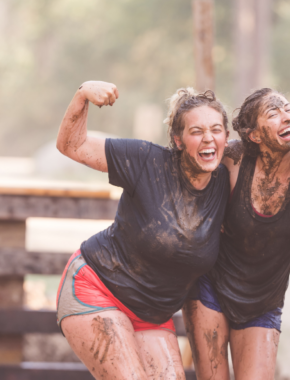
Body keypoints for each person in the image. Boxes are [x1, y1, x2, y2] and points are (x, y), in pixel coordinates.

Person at [55, 81, 231, 380]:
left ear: (227, 136)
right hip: (97, 288)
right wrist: (83, 94)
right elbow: (71, 145)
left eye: (216, 129)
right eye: (196, 131)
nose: (208, 139)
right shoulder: (146, 161)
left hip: (152, 315)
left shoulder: (226, 182)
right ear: (177, 139)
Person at [183, 88, 290, 380]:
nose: (287, 118)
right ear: (255, 134)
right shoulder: (233, 157)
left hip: (264, 302)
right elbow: (188, 170)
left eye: (288, 109)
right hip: (211, 288)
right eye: (273, 113)